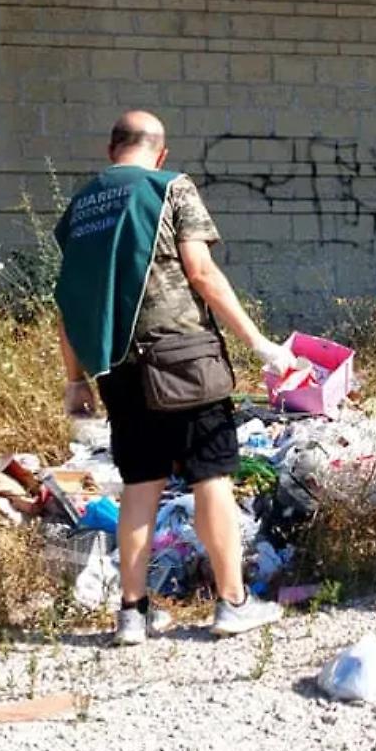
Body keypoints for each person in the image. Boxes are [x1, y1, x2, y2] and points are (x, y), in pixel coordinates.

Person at [55, 110, 293, 645]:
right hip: (185, 360)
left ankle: (132, 614)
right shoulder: (171, 188)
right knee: (211, 476)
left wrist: (76, 380)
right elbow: (202, 272)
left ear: (110, 149)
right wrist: (260, 343)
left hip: (117, 367)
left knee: (140, 486)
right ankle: (232, 603)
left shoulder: (80, 208)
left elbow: (67, 302)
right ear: (160, 153)